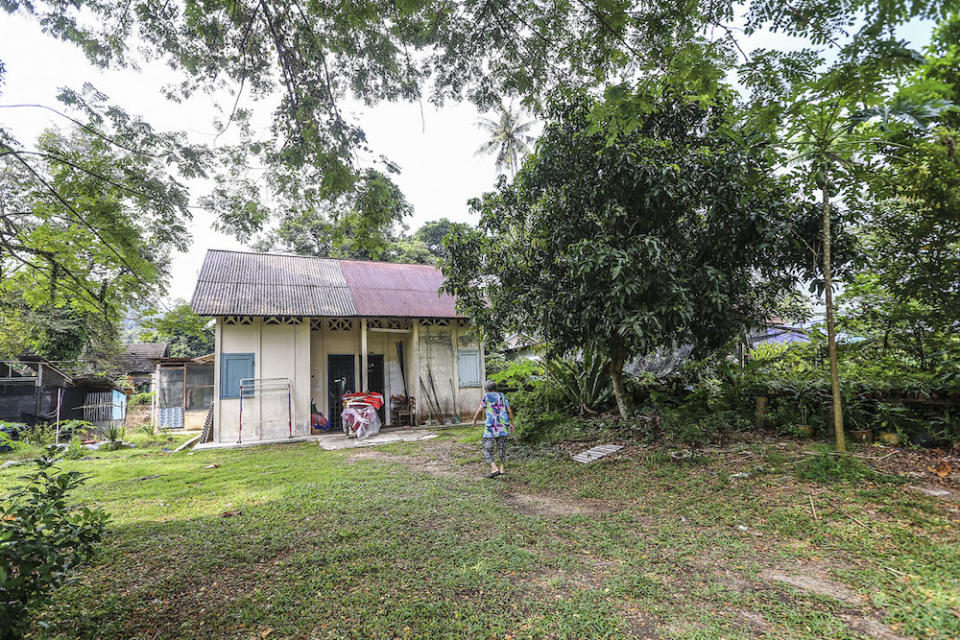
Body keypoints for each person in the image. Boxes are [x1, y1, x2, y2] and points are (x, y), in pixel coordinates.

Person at [472, 380, 514, 478]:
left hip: (491, 428)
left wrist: (474, 420)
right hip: (503, 427)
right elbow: (509, 410)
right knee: (502, 447)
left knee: (487, 448)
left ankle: (494, 467)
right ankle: (502, 468)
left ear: (486, 389)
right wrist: (512, 424)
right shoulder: (502, 396)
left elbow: (479, 410)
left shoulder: (486, 397)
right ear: (496, 388)